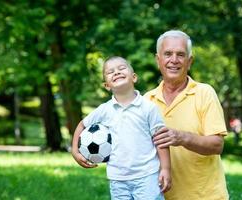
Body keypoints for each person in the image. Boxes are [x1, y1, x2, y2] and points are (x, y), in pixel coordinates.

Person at [144, 30, 229, 200]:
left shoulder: (204, 93)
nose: (174, 60)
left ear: (189, 62)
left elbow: (217, 145)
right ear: (158, 60)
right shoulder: (146, 101)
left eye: (180, 55)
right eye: (168, 54)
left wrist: (181, 137)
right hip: (160, 196)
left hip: (206, 196)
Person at [72, 56, 171, 200]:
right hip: (117, 178)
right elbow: (82, 125)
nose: (116, 72)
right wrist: (75, 151)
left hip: (147, 176)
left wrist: (166, 169)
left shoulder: (148, 108)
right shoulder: (104, 110)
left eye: (122, 68)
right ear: (107, 85)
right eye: (110, 71)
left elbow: (161, 140)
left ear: (134, 77)